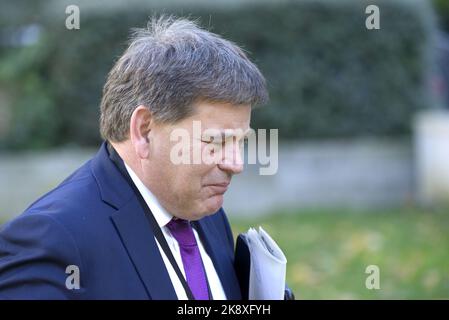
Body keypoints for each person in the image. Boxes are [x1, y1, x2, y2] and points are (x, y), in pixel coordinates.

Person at [0, 16, 268, 299]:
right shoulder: (51, 239)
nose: (236, 164)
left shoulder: (205, 213)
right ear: (143, 130)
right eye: (215, 141)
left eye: (240, 141)